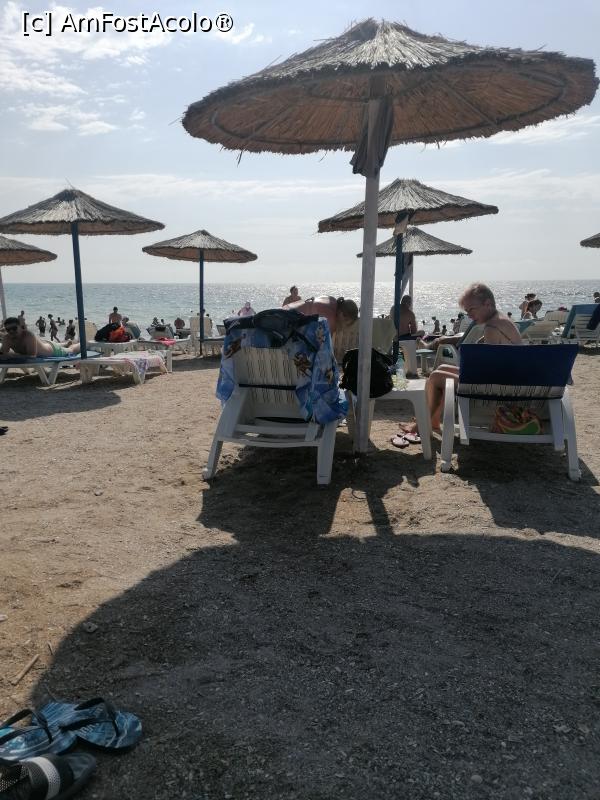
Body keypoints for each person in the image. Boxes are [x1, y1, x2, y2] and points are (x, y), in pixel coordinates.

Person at [397, 283, 521, 440]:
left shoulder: (492, 328)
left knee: (435, 377)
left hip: (497, 386)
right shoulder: (501, 320)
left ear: (488, 304)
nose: (469, 315)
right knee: (441, 368)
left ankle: (423, 423)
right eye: (467, 311)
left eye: (471, 309)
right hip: (507, 380)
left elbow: (489, 369)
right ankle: (431, 422)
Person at [1, 317, 81, 358]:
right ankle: (65, 343)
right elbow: (4, 353)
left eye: (14, 328)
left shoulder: (28, 335)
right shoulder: (7, 338)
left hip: (53, 351)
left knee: (72, 350)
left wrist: (13, 355)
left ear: (20, 327)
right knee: (60, 344)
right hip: (45, 344)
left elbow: (32, 356)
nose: (11, 331)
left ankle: (81, 343)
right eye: (8, 329)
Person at [284, 295, 358, 335]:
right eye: (347, 324)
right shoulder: (330, 321)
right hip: (285, 324)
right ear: (341, 315)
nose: (345, 328)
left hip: (285, 310)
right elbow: (324, 349)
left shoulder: (332, 300)